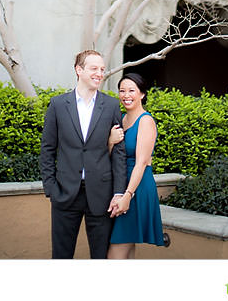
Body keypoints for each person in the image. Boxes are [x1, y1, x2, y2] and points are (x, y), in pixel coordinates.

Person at [39, 49, 127, 259]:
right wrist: (50, 187)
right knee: (61, 256)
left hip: (102, 194)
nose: (99, 73)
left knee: (100, 257)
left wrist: (118, 192)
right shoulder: (58, 105)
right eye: (94, 68)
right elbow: (47, 149)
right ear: (79, 70)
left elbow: (119, 154)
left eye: (102, 69)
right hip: (64, 193)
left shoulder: (112, 105)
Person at [107, 72, 165, 258]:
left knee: (115, 254)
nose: (126, 95)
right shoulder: (121, 119)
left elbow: (141, 162)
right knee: (127, 249)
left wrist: (127, 196)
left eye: (132, 90)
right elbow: (110, 156)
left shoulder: (146, 121)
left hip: (136, 189)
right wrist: (110, 142)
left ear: (142, 94)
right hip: (121, 185)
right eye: (122, 91)